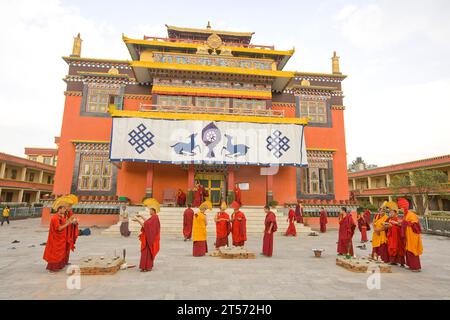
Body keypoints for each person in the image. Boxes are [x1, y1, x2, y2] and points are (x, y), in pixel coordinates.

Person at [43, 206, 73, 272]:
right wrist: (68, 223)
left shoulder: (60, 217)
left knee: (61, 252)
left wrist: (71, 221)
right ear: (59, 209)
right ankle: (52, 268)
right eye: (64, 209)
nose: (65, 210)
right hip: (56, 238)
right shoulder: (55, 218)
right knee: (55, 253)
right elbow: (59, 228)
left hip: (62, 238)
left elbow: (64, 222)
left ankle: (59, 265)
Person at [134, 200, 161, 272]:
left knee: (146, 253)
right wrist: (141, 216)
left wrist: (138, 220)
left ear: (153, 211)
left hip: (149, 240)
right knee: (146, 253)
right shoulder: (154, 217)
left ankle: (146, 267)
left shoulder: (154, 218)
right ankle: (145, 267)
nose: (149, 211)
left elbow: (145, 225)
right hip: (148, 238)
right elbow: (147, 223)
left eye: (150, 210)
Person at [397, 198, 423, 272]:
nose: (400, 209)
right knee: (408, 250)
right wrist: (400, 223)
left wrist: (404, 222)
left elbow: (415, 225)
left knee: (412, 250)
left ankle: (416, 267)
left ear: (405, 207)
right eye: (399, 208)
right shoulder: (405, 215)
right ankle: (410, 265)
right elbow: (404, 223)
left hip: (413, 236)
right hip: (407, 236)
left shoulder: (411, 215)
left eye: (401, 208)